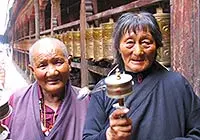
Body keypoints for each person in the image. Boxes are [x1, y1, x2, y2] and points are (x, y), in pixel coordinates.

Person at [83, 11, 200, 140]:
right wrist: (107, 136)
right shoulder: (104, 89)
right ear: (118, 47)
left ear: (157, 46)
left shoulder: (177, 84)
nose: (138, 52)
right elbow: (88, 137)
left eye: (146, 43)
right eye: (129, 43)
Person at [3, 37, 89, 140]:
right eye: (43, 65)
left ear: (69, 64)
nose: (52, 72)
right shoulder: (16, 101)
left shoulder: (87, 101)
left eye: (58, 62)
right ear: (32, 70)